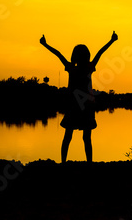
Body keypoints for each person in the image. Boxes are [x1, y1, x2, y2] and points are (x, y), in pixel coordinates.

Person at [40, 31, 118, 163]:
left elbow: (58, 54)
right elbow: (100, 52)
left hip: (75, 105)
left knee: (68, 136)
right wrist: (111, 41)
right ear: (87, 56)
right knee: (86, 137)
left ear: (74, 56)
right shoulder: (89, 67)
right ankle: (89, 162)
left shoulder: (72, 68)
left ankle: (64, 162)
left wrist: (45, 44)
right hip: (85, 106)